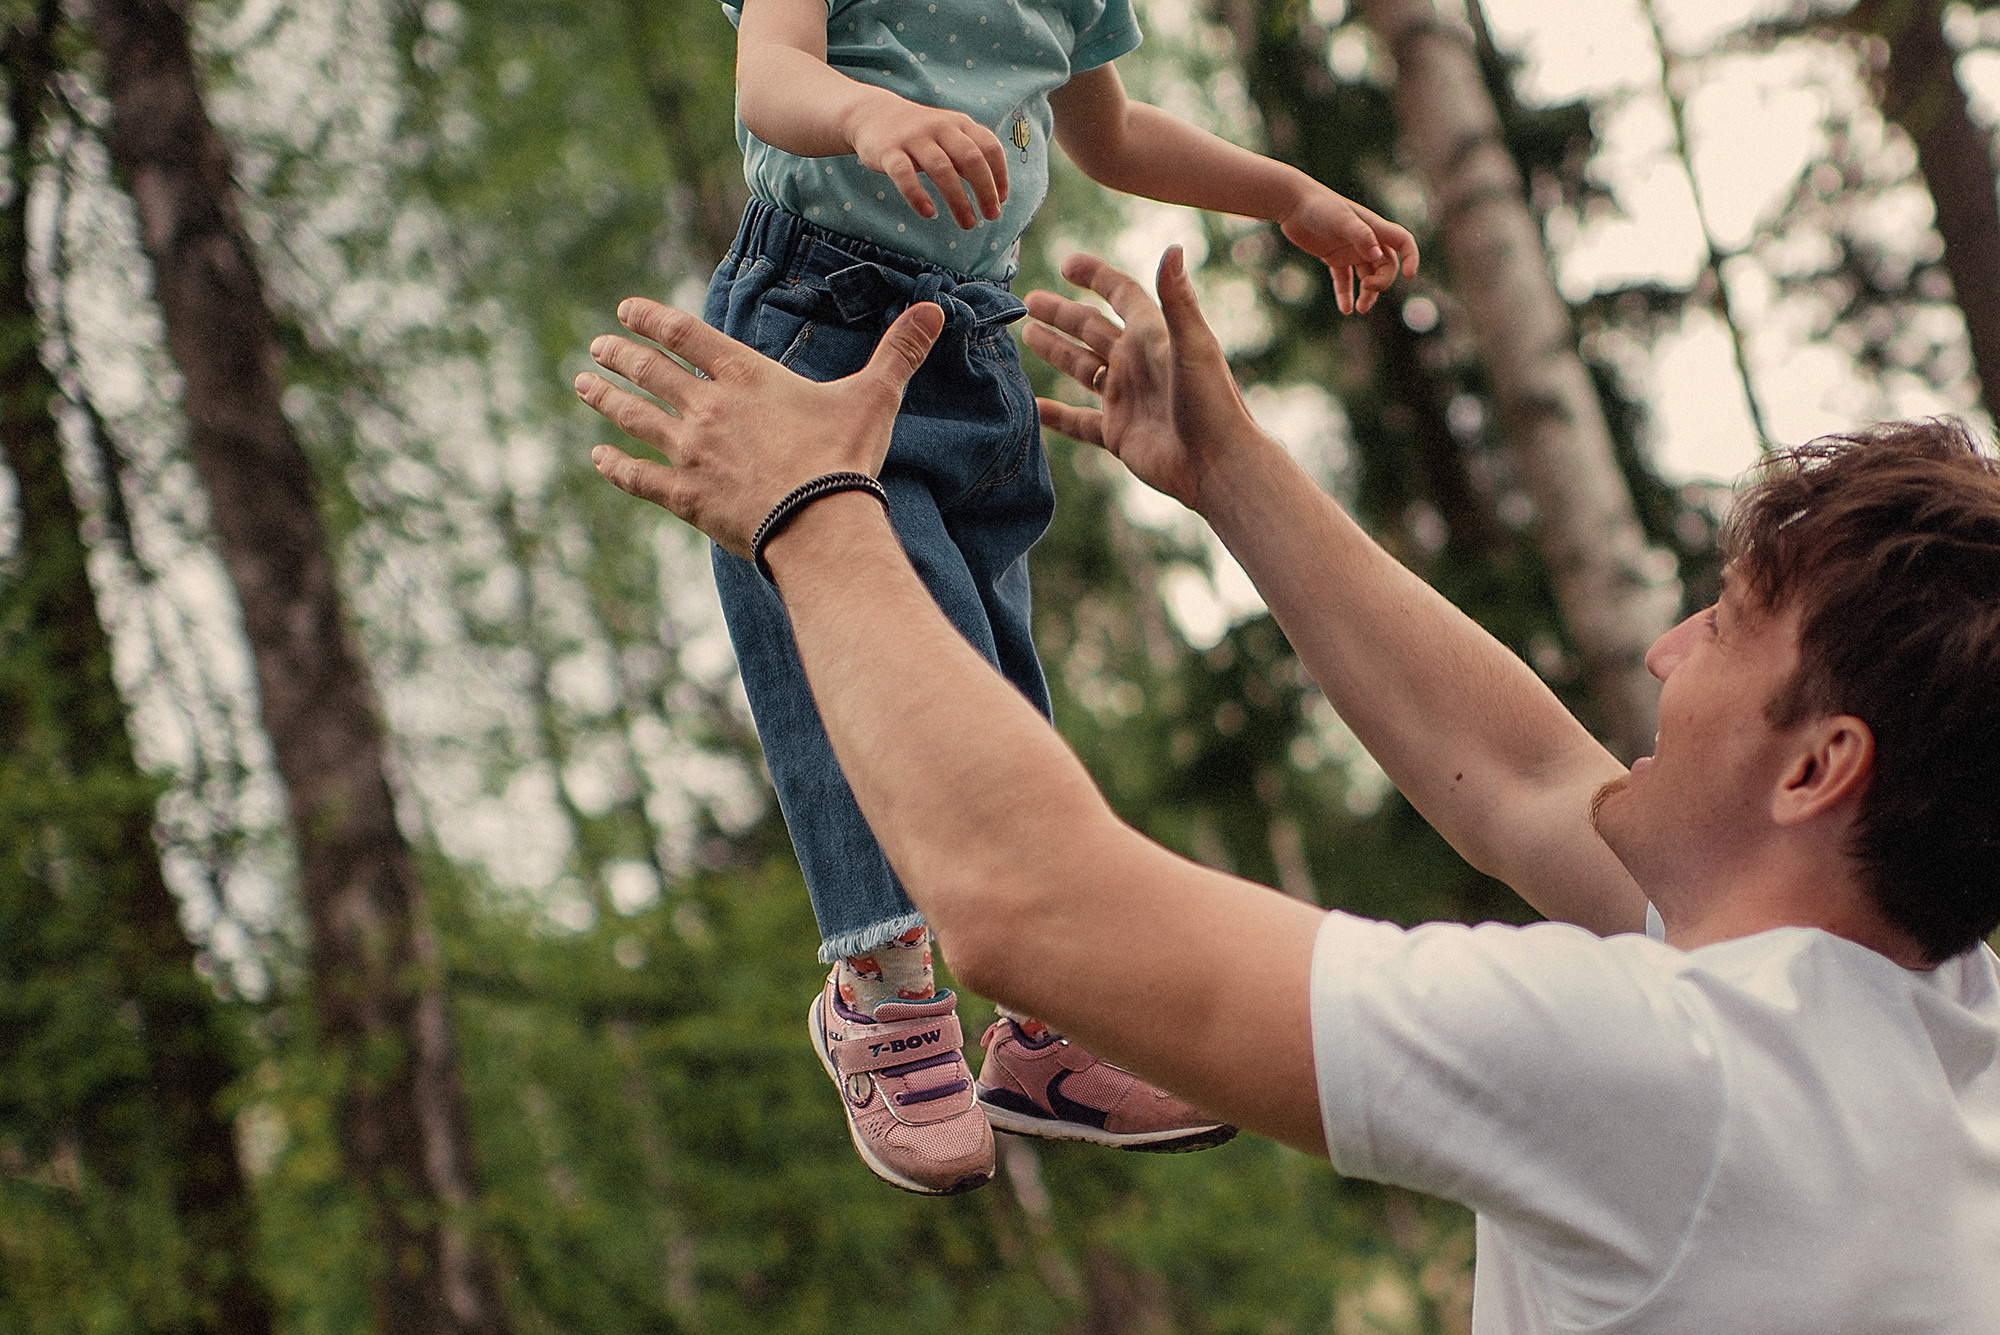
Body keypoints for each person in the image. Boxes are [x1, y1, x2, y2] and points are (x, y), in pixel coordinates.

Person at [576, 245, 2000, 1329]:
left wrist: (810, 513)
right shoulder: (1927, 1015)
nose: (1666, 648)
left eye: (1728, 628)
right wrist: (1231, 471)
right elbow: (1520, 776)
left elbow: (1033, 905)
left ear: (1820, 768)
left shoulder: (1681, 1080)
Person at [699, 0, 1420, 1196]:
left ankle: (1046, 1020)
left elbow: (1112, 133)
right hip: (817, 320)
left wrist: (1286, 194)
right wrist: (866, 113)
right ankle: (879, 983)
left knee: (993, 677)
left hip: (973, 340)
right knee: (865, 652)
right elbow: (768, 77)